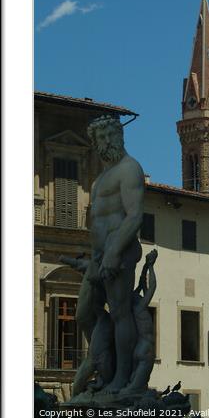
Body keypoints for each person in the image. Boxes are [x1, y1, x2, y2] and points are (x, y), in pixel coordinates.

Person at [75, 114, 145, 396]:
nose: (105, 142)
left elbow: (135, 215)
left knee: (119, 313)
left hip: (121, 251)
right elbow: (96, 223)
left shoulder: (130, 169)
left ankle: (121, 377)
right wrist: (95, 257)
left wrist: (115, 251)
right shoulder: (99, 180)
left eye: (109, 135)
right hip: (98, 256)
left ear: (120, 136)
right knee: (83, 313)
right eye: (100, 138)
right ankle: (106, 364)